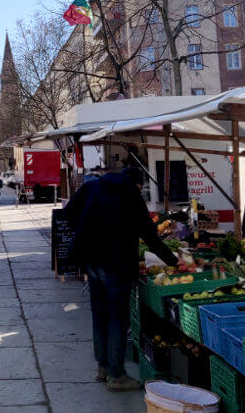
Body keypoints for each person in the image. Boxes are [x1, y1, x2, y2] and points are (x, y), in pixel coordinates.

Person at [65, 167, 179, 392]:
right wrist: (172, 261)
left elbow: (68, 214)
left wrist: (88, 231)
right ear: (137, 184)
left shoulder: (91, 186)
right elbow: (149, 235)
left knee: (99, 314)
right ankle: (117, 375)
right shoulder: (130, 194)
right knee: (117, 317)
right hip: (116, 264)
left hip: (91, 260)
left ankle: (103, 368)